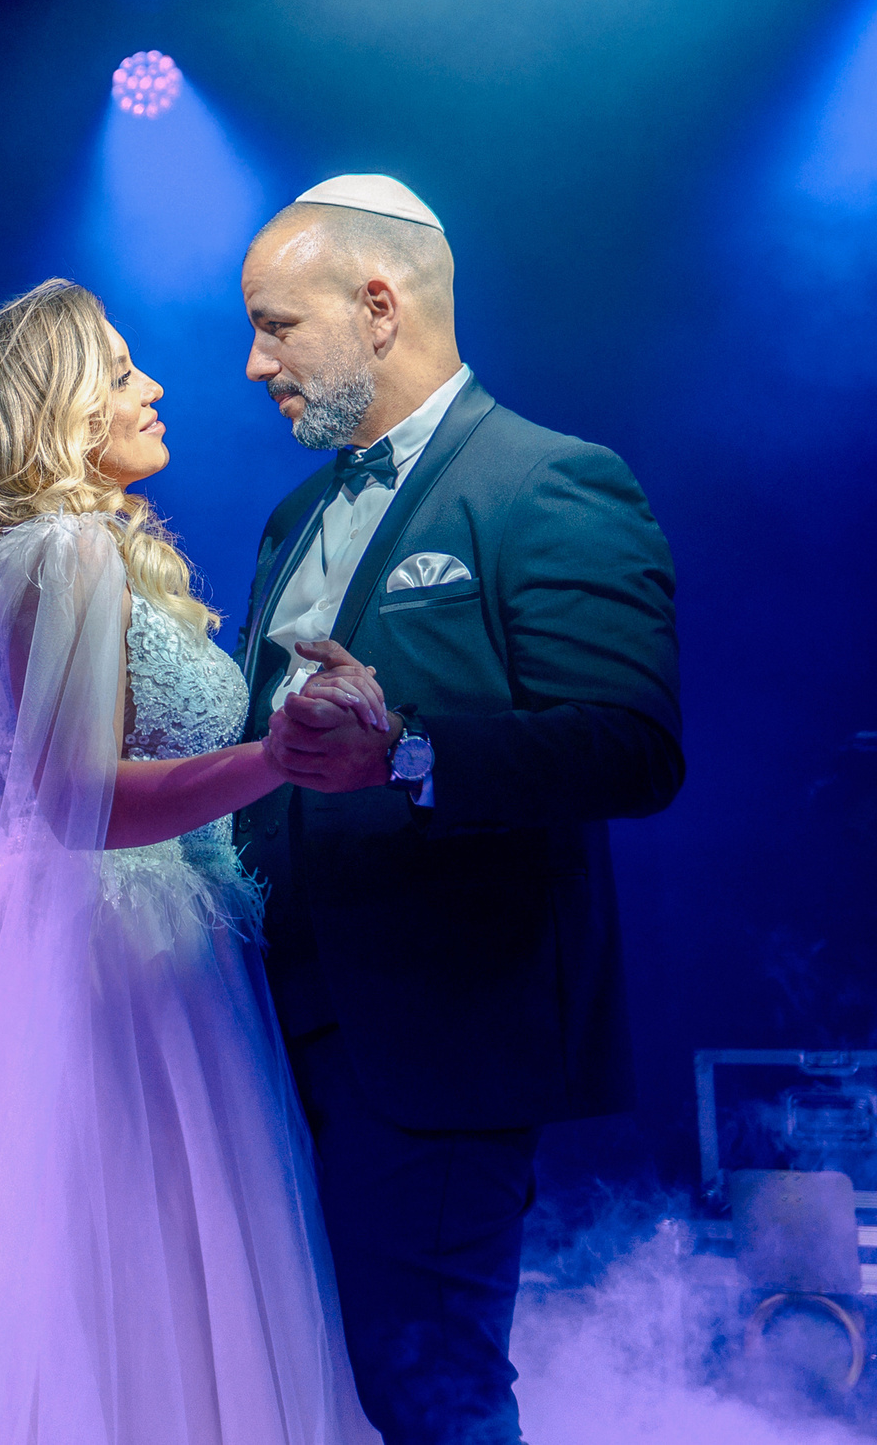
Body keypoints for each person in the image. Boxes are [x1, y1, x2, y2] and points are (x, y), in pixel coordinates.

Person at [0, 279, 382, 1444]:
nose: (154, 388)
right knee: (135, 1276)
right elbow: (75, 804)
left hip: (121, 950)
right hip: (115, 969)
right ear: (57, 405)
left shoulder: (62, 551)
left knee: (123, 1284)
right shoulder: (63, 548)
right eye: (121, 371)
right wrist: (275, 756)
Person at [233, 175, 683, 1445]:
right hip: (266, 1027)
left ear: (376, 306)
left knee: (426, 1387)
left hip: (438, 1034)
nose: (252, 361)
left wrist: (410, 752)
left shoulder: (550, 481)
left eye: (275, 324)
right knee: (308, 1379)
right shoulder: (294, 514)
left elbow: (632, 748)